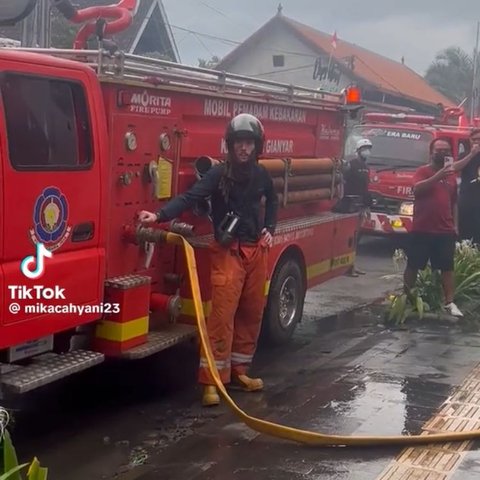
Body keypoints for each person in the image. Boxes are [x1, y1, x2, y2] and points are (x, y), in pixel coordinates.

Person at [138, 113, 279, 407]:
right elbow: (190, 197)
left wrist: (271, 229)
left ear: (256, 146)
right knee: (221, 318)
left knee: (252, 312)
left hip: (256, 251)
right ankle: (212, 381)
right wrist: (160, 216)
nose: (244, 148)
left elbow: (274, 200)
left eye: (249, 143)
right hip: (228, 252)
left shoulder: (262, 174)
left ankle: (239, 371)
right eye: (239, 142)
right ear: (231, 144)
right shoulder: (219, 174)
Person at [403, 137, 462, 317]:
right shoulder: (423, 171)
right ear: (431, 153)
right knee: (413, 264)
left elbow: (454, 203)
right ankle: (406, 298)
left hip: (444, 231)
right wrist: (438, 176)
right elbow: (417, 189)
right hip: (422, 228)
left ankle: (450, 303)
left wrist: (455, 226)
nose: (442, 153)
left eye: (445, 150)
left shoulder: (452, 176)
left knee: (447, 267)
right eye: (438, 150)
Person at [342, 137, 373, 277]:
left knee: (357, 237)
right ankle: (348, 267)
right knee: (351, 237)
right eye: (364, 149)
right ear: (359, 150)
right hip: (350, 206)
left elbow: (365, 188)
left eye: (368, 149)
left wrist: (367, 206)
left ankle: (353, 264)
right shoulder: (351, 165)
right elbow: (344, 183)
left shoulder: (366, 168)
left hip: (361, 206)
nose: (367, 152)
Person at [455, 129, 480, 245]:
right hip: (467, 200)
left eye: (479, 139)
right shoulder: (464, 155)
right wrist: (471, 154)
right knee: (466, 234)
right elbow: (454, 168)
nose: (476, 142)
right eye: (474, 139)